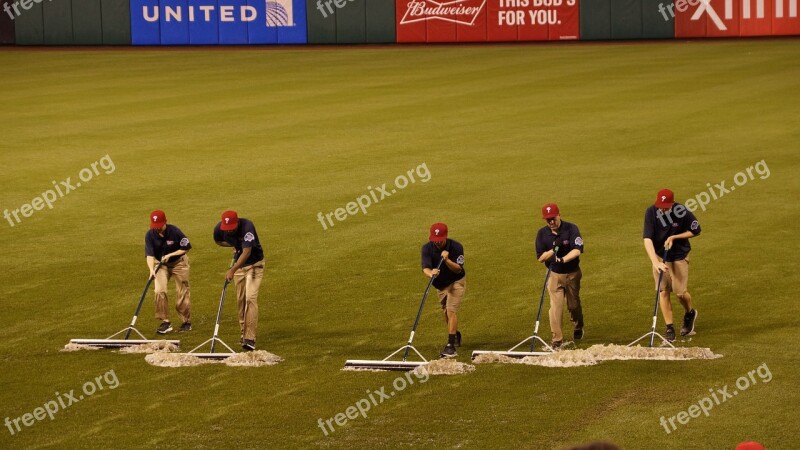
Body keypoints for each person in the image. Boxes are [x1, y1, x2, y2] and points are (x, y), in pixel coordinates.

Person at [643, 188, 701, 342]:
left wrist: (675, 236)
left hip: (679, 255)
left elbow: (696, 230)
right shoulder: (650, 212)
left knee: (680, 293)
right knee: (663, 291)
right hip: (660, 256)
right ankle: (669, 327)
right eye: (660, 205)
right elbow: (647, 239)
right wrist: (656, 262)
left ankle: (690, 313)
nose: (662, 209)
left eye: (666, 206)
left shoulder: (682, 211)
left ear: (673, 203)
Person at [535, 203, 585, 349]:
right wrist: (553, 250)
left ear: (559, 215)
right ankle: (557, 340)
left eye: (553, 218)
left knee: (573, 305)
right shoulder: (542, 234)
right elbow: (540, 257)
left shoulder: (571, 228)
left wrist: (563, 259)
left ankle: (578, 326)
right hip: (554, 274)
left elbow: (578, 250)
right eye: (547, 219)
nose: (551, 222)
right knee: (555, 308)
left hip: (572, 274)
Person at [213, 210, 265, 351]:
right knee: (241, 300)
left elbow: (247, 252)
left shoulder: (247, 226)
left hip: (254, 265)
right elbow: (218, 241)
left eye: (232, 229)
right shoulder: (219, 229)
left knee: (250, 298)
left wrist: (232, 269)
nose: (229, 231)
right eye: (227, 229)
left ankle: (250, 338)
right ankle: (243, 334)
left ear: (237, 223)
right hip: (239, 268)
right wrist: (235, 247)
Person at [421, 222, 465, 358]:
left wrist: (447, 260)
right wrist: (431, 273)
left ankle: (450, 346)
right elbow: (425, 268)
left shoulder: (456, 247)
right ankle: (455, 334)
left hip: (456, 281)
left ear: (445, 237)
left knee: (451, 309)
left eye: (440, 239)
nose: (437, 242)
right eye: (435, 240)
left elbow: (458, 269)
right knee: (446, 312)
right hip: (440, 285)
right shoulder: (427, 248)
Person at [144, 210, 192, 334]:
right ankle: (165, 321)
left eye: (159, 225)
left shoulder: (175, 232)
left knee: (182, 291)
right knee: (159, 290)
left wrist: (171, 254)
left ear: (165, 222)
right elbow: (149, 255)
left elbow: (186, 248)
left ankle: (186, 321)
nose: (158, 228)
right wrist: (151, 270)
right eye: (155, 226)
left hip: (179, 263)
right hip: (161, 265)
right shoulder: (150, 235)